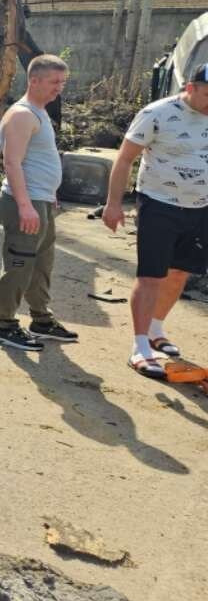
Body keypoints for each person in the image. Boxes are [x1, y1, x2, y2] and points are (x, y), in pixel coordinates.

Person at [102, 63, 208, 378]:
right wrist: (114, 204)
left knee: (179, 274)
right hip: (159, 204)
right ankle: (139, 348)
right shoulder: (158, 113)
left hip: (201, 208)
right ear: (191, 88)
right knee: (151, 276)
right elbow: (124, 159)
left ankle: (155, 330)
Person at [0, 54, 77, 351]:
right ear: (34, 80)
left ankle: (41, 319)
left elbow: (38, 160)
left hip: (40, 200)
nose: (59, 88)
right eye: (54, 82)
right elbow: (12, 163)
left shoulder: (39, 112)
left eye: (62, 82)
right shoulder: (22, 115)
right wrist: (26, 205)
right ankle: (4, 326)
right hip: (23, 203)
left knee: (41, 264)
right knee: (20, 264)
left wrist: (49, 194)